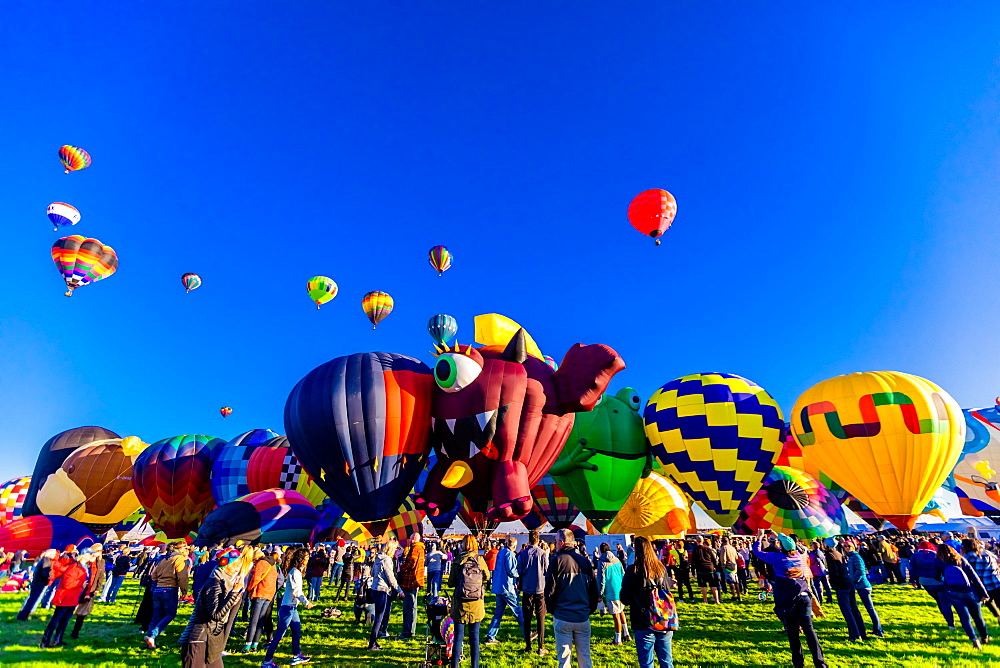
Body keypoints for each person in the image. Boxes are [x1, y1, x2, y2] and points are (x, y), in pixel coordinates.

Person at [753, 530, 826, 668]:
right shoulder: (798, 555)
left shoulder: (778, 558)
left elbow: (757, 552)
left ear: (781, 546)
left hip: (788, 599)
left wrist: (760, 537)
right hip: (803, 596)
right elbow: (788, 542)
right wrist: (777, 534)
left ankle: (799, 663)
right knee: (809, 630)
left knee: (793, 632)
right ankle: (820, 662)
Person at [180, 548, 250, 668]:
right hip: (199, 637)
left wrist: (231, 600)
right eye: (235, 565)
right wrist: (233, 593)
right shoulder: (214, 583)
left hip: (213, 636)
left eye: (239, 565)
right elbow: (216, 615)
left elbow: (218, 609)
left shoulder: (224, 582)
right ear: (225, 564)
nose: (238, 568)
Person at [546, 528, 598, 668]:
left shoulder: (556, 561)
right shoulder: (585, 562)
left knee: (564, 659)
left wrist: (552, 610)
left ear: (562, 543)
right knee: (585, 657)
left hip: (563, 616)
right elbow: (593, 590)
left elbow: (549, 590)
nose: (555, 545)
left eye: (556, 542)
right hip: (582, 616)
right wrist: (589, 609)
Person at [621, 536, 675, 668]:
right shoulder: (661, 568)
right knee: (667, 661)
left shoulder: (633, 570)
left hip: (643, 619)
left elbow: (625, 598)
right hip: (663, 617)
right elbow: (667, 590)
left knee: (646, 662)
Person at [261, 546, 313, 667]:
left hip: (292, 607)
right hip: (288, 608)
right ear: (301, 559)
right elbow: (296, 591)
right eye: (306, 557)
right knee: (279, 634)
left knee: (296, 630)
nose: (308, 559)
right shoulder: (294, 572)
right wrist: (306, 602)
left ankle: (296, 656)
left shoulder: (297, 572)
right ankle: (266, 661)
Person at [937, 543, 991, 649]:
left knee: (964, 618)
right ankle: (984, 638)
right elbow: (974, 577)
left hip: (953, 592)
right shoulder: (960, 559)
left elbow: (935, 576)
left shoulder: (938, 562)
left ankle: (974, 640)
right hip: (969, 591)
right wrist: (984, 594)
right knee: (978, 617)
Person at [449, 535, 490, 668]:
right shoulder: (480, 559)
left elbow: (450, 583)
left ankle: (454, 665)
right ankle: (475, 665)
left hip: (460, 603)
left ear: (463, 545)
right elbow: (487, 576)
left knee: (458, 638)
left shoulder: (458, 560)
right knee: (475, 638)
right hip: (476, 603)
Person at [40, 552, 93, 648]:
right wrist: (81, 583)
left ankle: (58, 640)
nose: (92, 556)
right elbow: (67, 584)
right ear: (83, 555)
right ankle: (45, 642)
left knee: (64, 621)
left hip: (73, 597)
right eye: (90, 554)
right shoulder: (74, 567)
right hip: (65, 597)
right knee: (56, 620)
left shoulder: (84, 567)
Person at [145, 542, 191, 649]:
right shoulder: (180, 559)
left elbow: (154, 575)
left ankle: (149, 638)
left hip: (158, 589)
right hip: (170, 589)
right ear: (180, 549)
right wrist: (184, 591)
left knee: (156, 616)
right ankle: (153, 635)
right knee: (170, 614)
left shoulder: (163, 559)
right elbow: (182, 577)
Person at [243, 547, 283, 654]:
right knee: (261, 621)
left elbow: (256, 578)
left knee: (254, 620)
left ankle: (247, 646)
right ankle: (255, 645)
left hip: (260, 592)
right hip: (269, 594)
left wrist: (248, 589)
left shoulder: (262, 563)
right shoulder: (273, 564)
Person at [485, 536, 523, 645]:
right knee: (518, 611)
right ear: (515, 546)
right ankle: (527, 632)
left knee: (498, 613)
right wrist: (520, 574)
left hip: (498, 587)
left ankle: (490, 636)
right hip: (508, 587)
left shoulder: (501, 552)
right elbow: (511, 571)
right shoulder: (510, 554)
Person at [517, 530, 549, 656]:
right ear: (538, 540)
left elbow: (519, 570)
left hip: (527, 589)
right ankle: (541, 647)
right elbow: (546, 569)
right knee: (540, 618)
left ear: (528, 540)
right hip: (540, 588)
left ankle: (528, 646)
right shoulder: (542, 554)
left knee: (527, 617)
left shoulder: (522, 554)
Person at [368, 538, 401, 651]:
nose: (396, 550)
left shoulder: (377, 558)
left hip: (374, 588)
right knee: (379, 618)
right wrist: (399, 590)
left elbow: (372, 573)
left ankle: (374, 641)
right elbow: (390, 577)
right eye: (395, 548)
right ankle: (372, 644)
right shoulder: (387, 560)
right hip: (382, 589)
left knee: (378, 616)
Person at [69, 544, 106, 639]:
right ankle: (61, 628)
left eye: (100, 551)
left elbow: (101, 576)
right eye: (97, 550)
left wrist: (98, 588)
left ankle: (75, 632)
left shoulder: (101, 562)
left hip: (91, 589)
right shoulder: (87, 560)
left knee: (82, 612)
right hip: (80, 587)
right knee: (70, 609)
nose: (99, 552)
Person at [597, 543, 628, 645]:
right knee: (621, 611)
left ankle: (618, 640)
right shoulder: (617, 560)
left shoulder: (602, 562)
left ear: (601, 551)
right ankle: (626, 634)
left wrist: (600, 594)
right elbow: (623, 574)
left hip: (611, 591)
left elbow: (601, 579)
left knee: (616, 616)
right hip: (621, 589)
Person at [962, 538, 1000, 621]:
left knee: (988, 601)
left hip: (982, 585)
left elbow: (963, 568)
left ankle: (997, 615)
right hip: (995, 581)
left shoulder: (969, 556)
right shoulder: (987, 552)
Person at [398, 532, 426, 640]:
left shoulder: (415, 549)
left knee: (408, 607)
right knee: (413, 606)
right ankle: (411, 630)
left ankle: (407, 631)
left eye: (410, 539)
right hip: (417, 580)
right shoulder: (421, 549)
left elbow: (412, 563)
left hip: (410, 580)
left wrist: (402, 568)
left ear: (414, 539)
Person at [17, 548, 56, 621]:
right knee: (33, 600)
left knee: (31, 599)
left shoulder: (43, 559)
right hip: (40, 583)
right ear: (50, 554)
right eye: (53, 554)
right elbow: (44, 573)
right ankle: (23, 616)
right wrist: (48, 579)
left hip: (37, 582)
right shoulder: (46, 561)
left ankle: (22, 615)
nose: (54, 556)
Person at [691, 536, 720, 604]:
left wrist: (693, 571)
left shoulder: (695, 549)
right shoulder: (708, 549)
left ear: (696, 541)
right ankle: (717, 600)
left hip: (700, 568)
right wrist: (716, 567)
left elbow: (693, 561)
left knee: (703, 585)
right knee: (713, 584)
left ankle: (705, 600)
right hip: (710, 568)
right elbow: (714, 559)